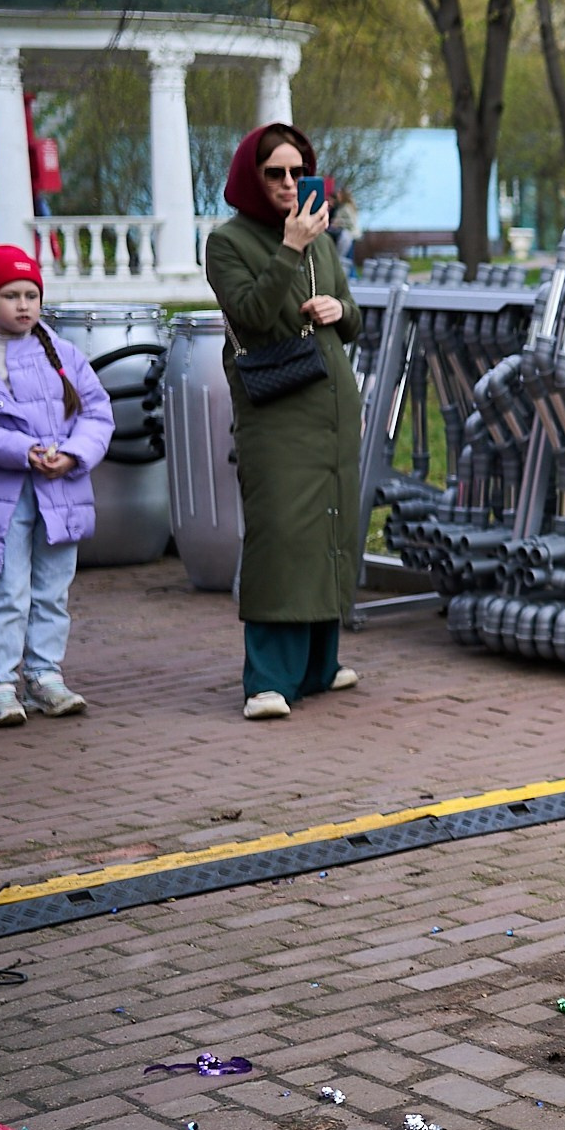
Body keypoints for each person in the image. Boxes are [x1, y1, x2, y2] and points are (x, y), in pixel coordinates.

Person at [207, 124, 366, 719]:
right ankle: (268, 680)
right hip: (275, 411)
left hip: (331, 406)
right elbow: (251, 316)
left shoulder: (322, 235)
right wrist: (291, 247)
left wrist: (338, 308)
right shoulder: (228, 242)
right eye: (274, 172)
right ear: (252, 175)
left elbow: (354, 321)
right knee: (281, 533)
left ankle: (319, 665)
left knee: (328, 527)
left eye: (297, 172)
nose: (288, 183)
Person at [0, 242, 113, 727]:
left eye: (31, 294)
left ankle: (44, 675)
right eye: (11, 295)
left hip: (60, 492)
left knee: (54, 589)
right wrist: (22, 451)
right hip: (0, 499)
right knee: (7, 591)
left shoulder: (60, 351)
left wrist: (75, 453)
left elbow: (97, 412)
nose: (23, 305)